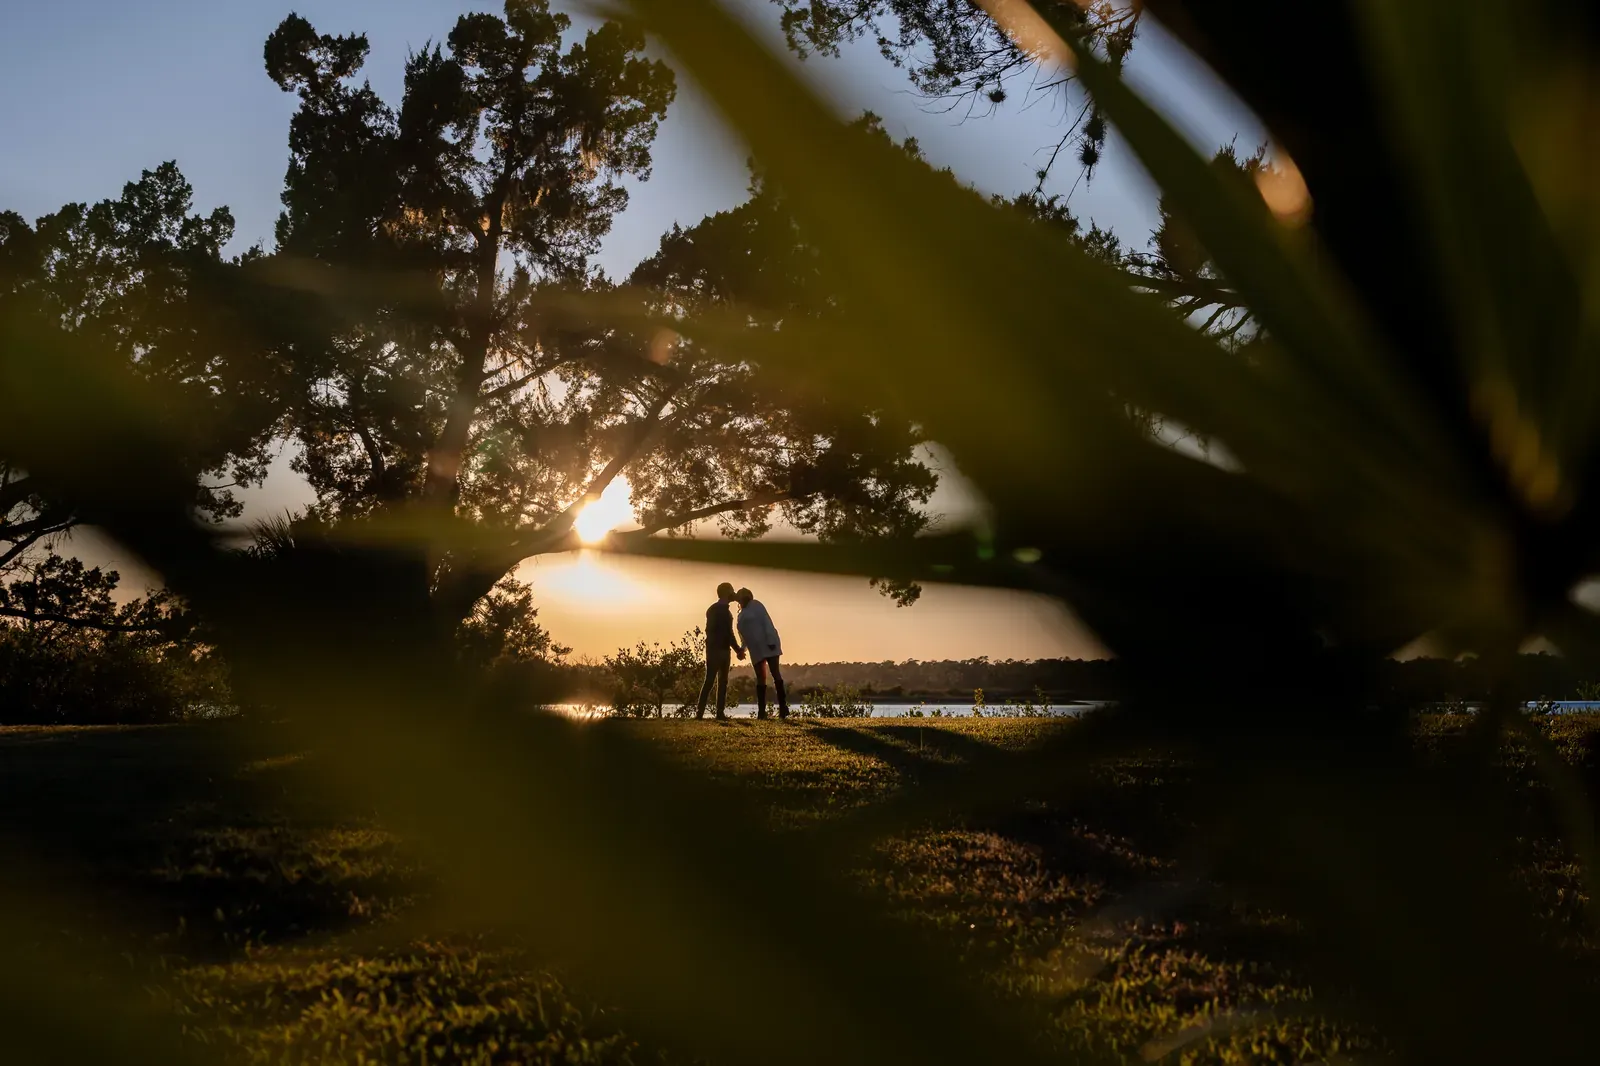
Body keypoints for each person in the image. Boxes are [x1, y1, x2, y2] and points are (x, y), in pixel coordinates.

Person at [735, 587, 788, 719]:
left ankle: (783, 708)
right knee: (760, 677)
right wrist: (742, 649)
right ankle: (761, 711)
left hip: (769, 644)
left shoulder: (756, 605)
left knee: (775, 673)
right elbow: (743, 635)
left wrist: (770, 640)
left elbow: (766, 621)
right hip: (756, 649)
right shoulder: (740, 614)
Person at [697, 581, 744, 719]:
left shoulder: (722, 611)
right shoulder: (717, 610)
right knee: (711, 680)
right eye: (732, 590)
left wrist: (736, 649)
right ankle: (702, 713)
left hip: (721, 649)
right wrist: (737, 649)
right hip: (716, 650)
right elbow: (726, 633)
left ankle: (718, 712)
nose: (733, 593)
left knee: (722, 681)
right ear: (726, 592)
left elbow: (729, 633)